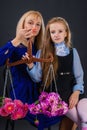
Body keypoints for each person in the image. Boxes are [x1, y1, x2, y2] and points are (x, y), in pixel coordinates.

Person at [26, 17, 87, 130]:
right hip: (59, 97)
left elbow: (79, 76)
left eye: (60, 31)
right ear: (49, 34)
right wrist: (30, 66)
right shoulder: (43, 52)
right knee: (80, 121)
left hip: (74, 91)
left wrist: (77, 92)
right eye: (53, 32)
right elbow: (37, 78)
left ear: (66, 33)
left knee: (85, 117)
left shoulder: (73, 52)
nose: (56, 34)